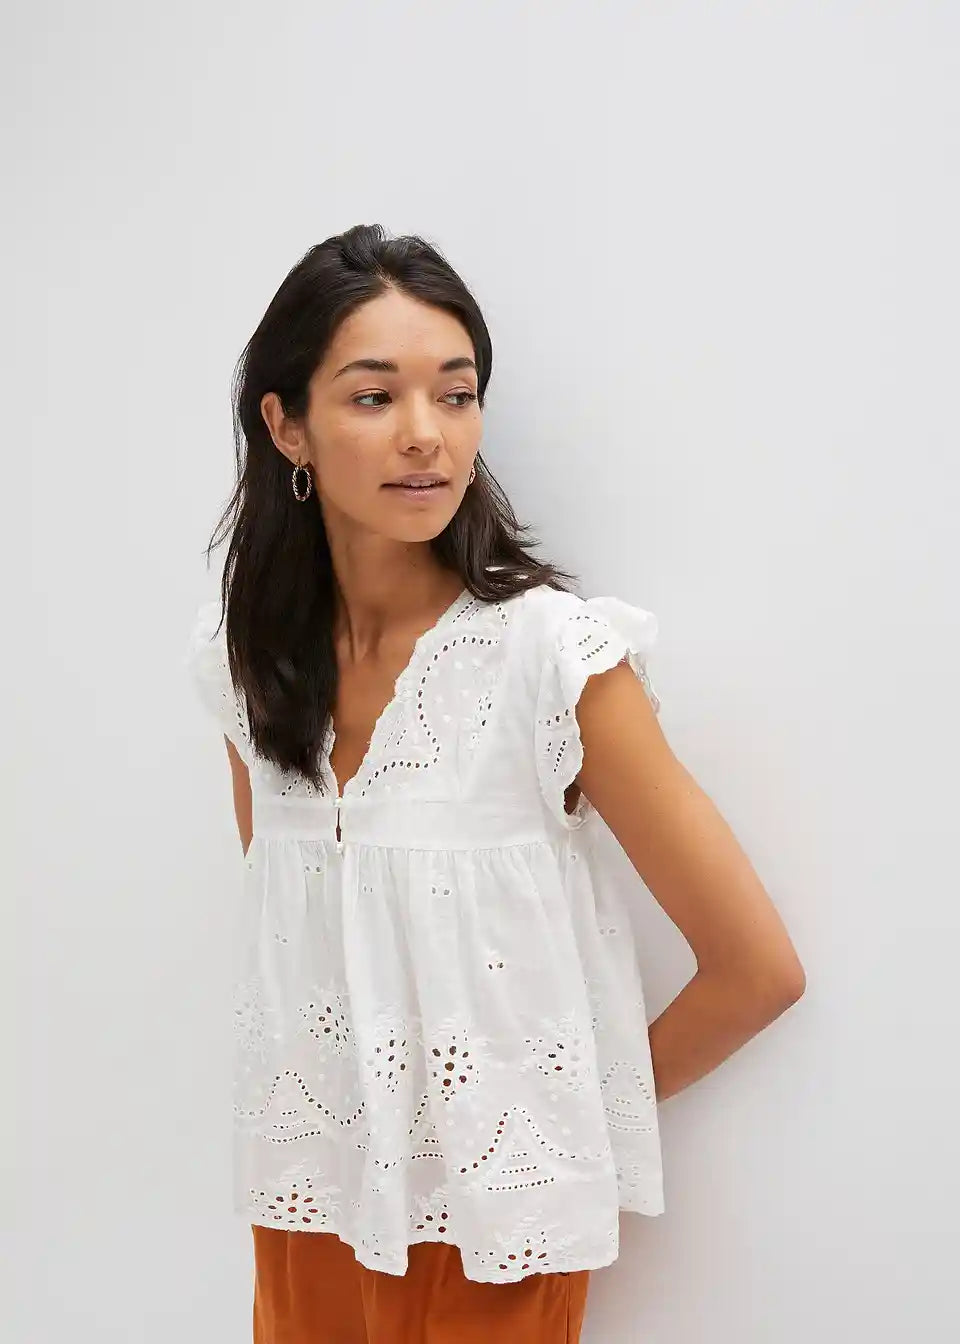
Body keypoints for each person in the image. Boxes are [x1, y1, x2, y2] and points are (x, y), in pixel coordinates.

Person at [184, 223, 806, 1344]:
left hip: (498, 1228)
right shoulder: (243, 664)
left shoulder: (554, 659)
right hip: (312, 1203)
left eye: (457, 393)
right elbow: (304, 941)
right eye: (374, 396)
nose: (427, 433)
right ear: (286, 425)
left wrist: (551, 1125)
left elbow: (756, 972)